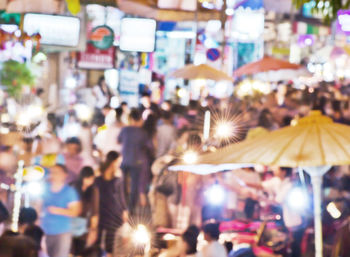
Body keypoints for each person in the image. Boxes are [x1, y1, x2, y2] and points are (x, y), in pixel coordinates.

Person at [41, 164, 81, 257]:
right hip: (45, 231)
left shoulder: (69, 191)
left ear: (64, 175)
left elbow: (75, 211)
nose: (53, 175)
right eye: (52, 172)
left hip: (62, 232)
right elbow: (38, 206)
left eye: (56, 173)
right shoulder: (45, 188)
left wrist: (57, 210)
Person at [118, 109, 153, 214]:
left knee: (122, 185)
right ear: (139, 120)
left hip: (125, 160)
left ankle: (122, 206)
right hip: (137, 161)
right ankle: (131, 209)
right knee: (134, 186)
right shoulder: (143, 133)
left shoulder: (124, 130)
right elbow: (150, 147)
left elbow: (119, 140)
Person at [95, 151, 128, 257]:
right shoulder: (98, 175)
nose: (119, 164)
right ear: (113, 161)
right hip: (101, 210)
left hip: (113, 212)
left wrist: (124, 210)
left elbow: (121, 196)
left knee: (110, 240)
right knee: (97, 238)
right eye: (118, 161)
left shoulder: (118, 176)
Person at [71, 166, 100, 257]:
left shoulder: (93, 190)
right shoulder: (72, 186)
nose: (90, 181)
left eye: (92, 179)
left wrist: (93, 229)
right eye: (88, 178)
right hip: (69, 222)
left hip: (83, 225)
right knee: (69, 251)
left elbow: (95, 212)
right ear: (82, 177)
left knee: (80, 251)